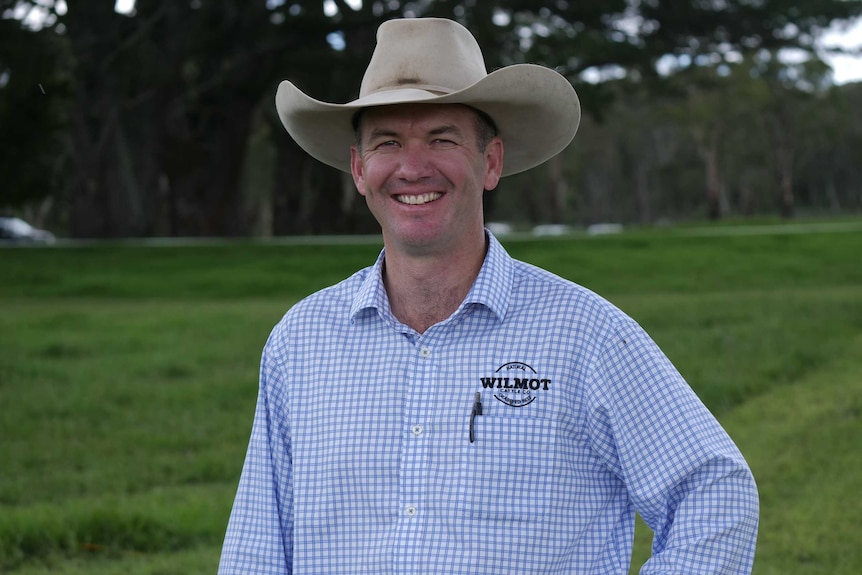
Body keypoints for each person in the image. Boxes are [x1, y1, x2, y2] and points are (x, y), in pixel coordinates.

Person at [218, 17, 759, 575]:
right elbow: (258, 546)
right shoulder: (301, 341)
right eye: (388, 143)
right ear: (359, 168)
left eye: (442, 139)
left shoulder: (586, 336)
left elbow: (714, 493)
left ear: (492, 161)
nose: (412, 167)